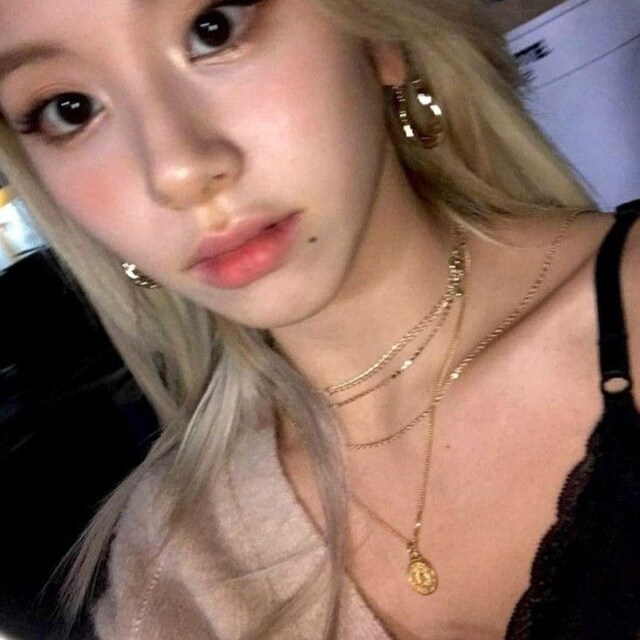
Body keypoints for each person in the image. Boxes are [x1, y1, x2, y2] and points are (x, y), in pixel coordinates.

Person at [0, 0, 638, 638]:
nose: (177, 171)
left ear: (379, 36)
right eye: (69, 109)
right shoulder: (169, 573)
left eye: (213, 29)